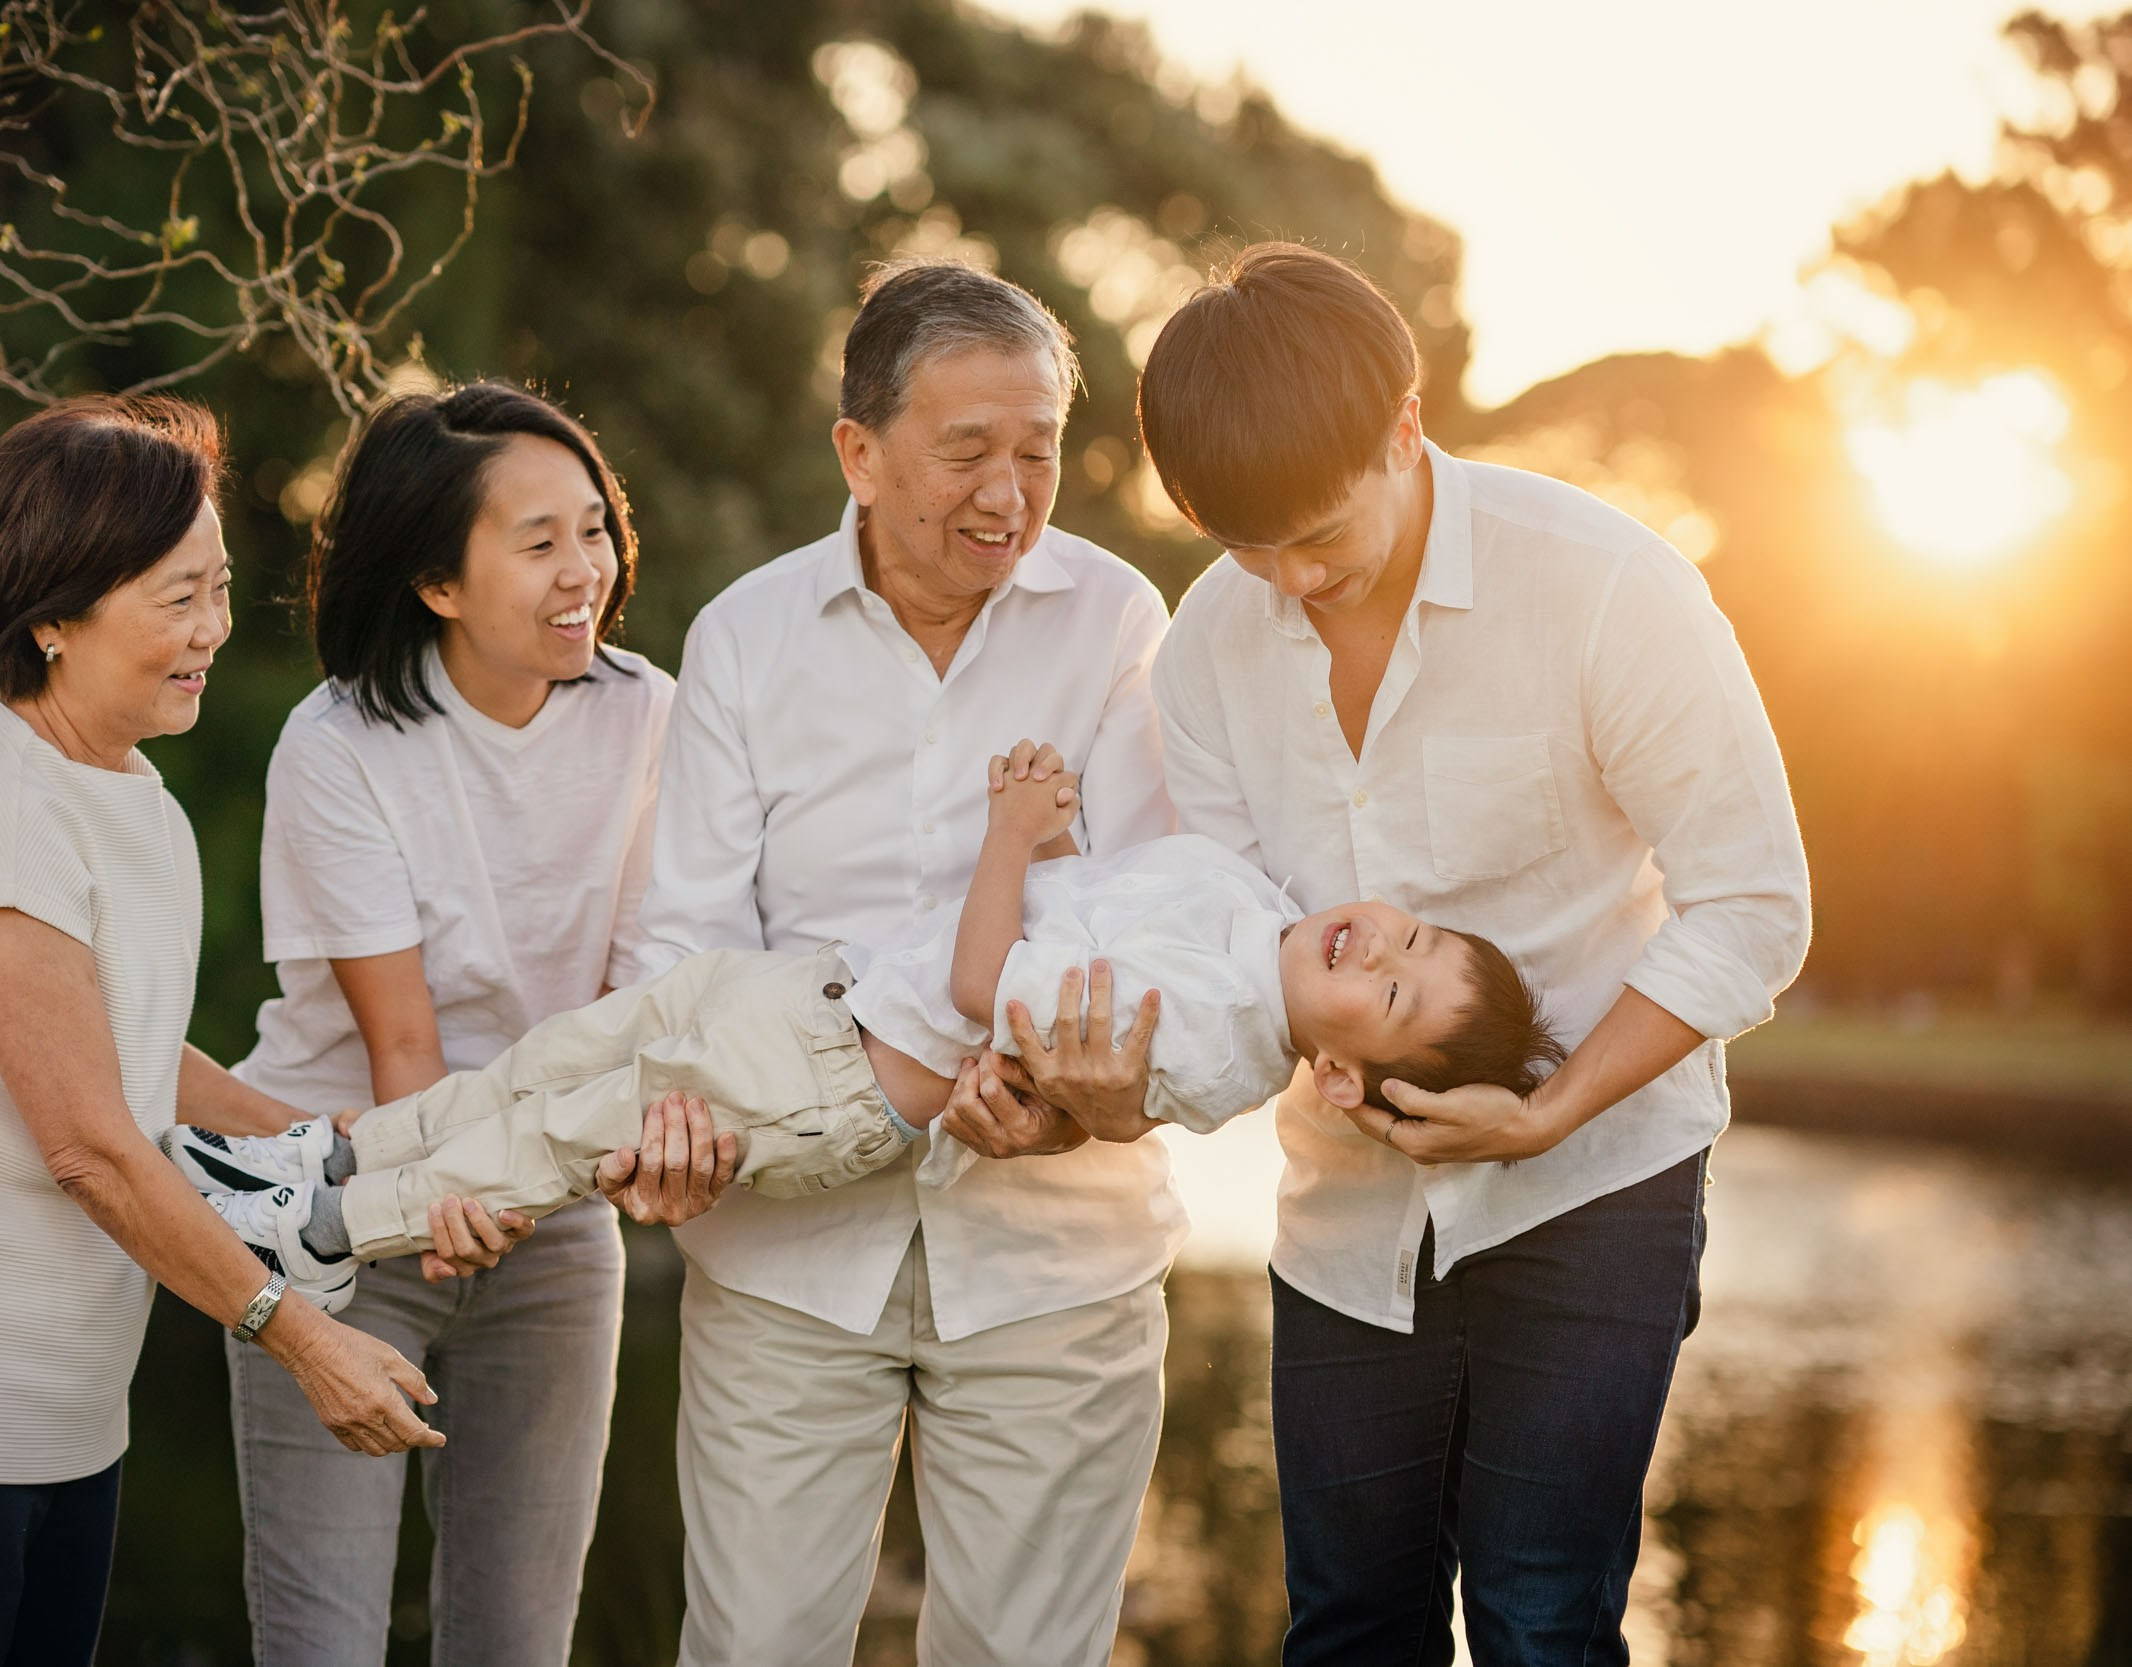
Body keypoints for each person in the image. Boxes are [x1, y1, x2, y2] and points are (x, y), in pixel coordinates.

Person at [1136, 242, 1812, 1661]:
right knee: (1347, 1627)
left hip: (1596, 1188)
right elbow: (1224, 925)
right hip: (1341, 1224)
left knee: (1541, 1621)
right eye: (1246, 543)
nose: (1290, 577)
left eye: (1318, 532)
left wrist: (1549, 1105)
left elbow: (1754, 905)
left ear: (1406, 426)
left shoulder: (1609, 589)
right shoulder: (1206, 644)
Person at [0, 397, 449, 1667]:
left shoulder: (124, 788)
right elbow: (87, 1141)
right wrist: (303, 1335)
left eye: (221, 590)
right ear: (54, 616)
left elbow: (125, 1051)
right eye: (177, 599)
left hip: (60, 1411)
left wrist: (322, 1133)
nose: (215, 632)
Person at [635, 258, 1185, 1666]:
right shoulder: (745, 639)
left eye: (1039, 452)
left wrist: (1060, 1092)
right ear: (859, 454)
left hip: (1058, 1251)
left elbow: (1155, 913)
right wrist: (686, 1113)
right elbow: (687, 944)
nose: (1009, 492)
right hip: (786, 1257)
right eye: (966, 453)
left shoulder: (1121, 620)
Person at [179, 739, 1562, 1278]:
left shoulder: (1207, 1041)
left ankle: (324, 1232)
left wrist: (1012, 831)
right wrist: (1058, 841)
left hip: (838, 1076)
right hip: (809, 991)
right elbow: (1080, 912)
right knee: (559, 1053)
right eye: (1416, 933)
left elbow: (984, 984)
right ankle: (334, 1149)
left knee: (566, 1133)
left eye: (1391, 992)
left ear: (1336, 1069)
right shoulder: (1234, 890)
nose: (1380, 942)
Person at [219, 381, 722, 1667]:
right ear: (439, 582)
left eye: (595, 529)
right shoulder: (337, 743)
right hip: (342, 1207)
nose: (585, 571)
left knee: (515, 1641)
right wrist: (442, 1182)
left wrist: (584, 1165)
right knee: (321, 1640)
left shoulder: (651, 715)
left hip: (550, 1218)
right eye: (538, 539)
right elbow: (402, 1047)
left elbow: (643, 997)